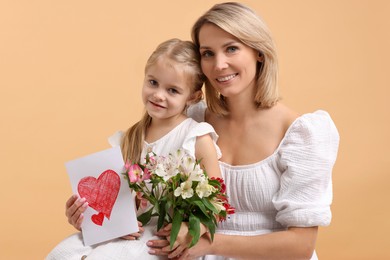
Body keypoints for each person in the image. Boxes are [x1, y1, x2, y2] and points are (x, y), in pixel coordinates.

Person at [147, 2, 340, 259]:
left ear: (258, 52)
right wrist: (93, 214)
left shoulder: (301, 133)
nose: (219, 64)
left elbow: (301, 246)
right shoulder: (190, 121)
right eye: (208, 53)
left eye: (231, 49)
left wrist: (209, 243)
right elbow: (147, 187)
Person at [46, 38, 222, 260]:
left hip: (165, 237)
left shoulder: (195, 137)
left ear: (194, 96)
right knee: (62, 254)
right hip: (130, 233)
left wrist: (190, 228)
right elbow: (117, 201)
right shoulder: (130, 138)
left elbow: (218, 204)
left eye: (173, 90)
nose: (159, 95)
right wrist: (86, 218)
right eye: (153, 82)